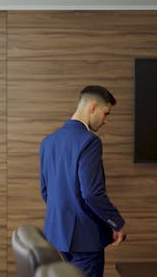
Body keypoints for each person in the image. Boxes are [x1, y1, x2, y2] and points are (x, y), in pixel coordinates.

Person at [39, 85, 126, 277]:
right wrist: (116, 222)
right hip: (86, 239)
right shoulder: (89, 141)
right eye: (106, 114)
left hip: (58, 236)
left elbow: (46, 191)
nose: (106, 121)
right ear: (93, 107)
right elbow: (92, 194)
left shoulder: (48, 142)